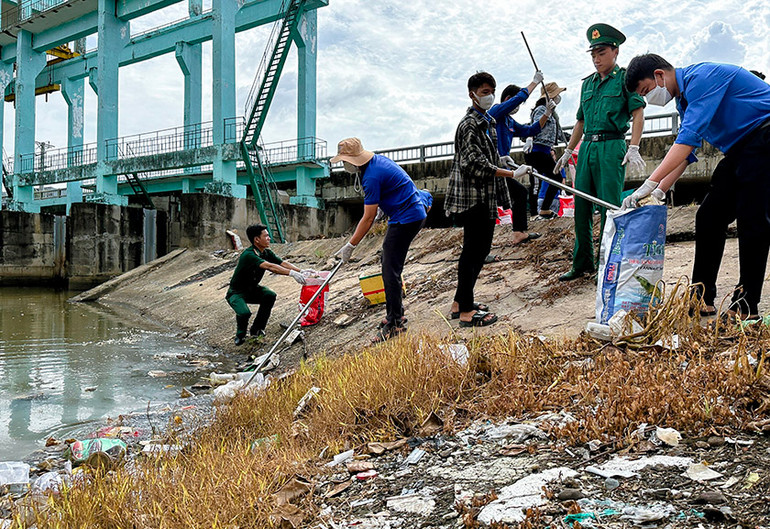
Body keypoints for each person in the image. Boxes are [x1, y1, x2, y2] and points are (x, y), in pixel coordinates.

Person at [623, 54, 770, 320]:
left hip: (765, 135)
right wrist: (659, 191)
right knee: (709, 217)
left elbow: (687, 141)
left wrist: (649, 182)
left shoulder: (702, 78)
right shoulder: (684, 102)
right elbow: (686, 154)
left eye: (646, 91)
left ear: (659, 75)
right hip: (740, 149)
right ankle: (701, 297)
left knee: (753, 219)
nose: (648, 99)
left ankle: (746, 306)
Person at [553, 23, 646, 281]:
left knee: (609, 208)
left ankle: (607, 264)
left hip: (611, 146)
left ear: (615, 52)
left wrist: (634, 146)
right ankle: (582, 263)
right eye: (593, 54)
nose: (596, 59)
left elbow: (638, 113)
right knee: (581, 206)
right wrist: (568, 150)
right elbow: (580, 122)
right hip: (587, 148)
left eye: (602, 53)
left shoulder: (625, 79)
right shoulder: (587, 85)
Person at [444, 71, 532, 327]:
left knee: (479, 250)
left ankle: (460, 302)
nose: (489, 97)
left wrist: (500, 159)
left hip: (485, 195)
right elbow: (473, 163)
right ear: (472, 94)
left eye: (491, 92)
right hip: (472, 197)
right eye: (484, 92)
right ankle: (466, 312)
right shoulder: (469, 124)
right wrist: (511, 173)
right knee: (473, 251)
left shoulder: (487, 121)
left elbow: (486, 156)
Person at [332, 138, 428, 342]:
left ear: (353, 160)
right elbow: (391, 190)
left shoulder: (371, 177)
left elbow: (367, 218)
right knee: (389, 263)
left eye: (344, 161)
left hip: (407, 218)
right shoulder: (376, 163)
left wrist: (350, 246)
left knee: (390, 270)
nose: (344, 165)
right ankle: (396, 313)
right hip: (407, 212)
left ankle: (395, 323)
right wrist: (382, 209)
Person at [487, 74, 553, 246]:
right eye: (516, 104)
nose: (517, 107)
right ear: (508, 99)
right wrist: (534, 83)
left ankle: (519, 232)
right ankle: (485, 243)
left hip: (501, 168)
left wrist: (547, 114)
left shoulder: (509, 121)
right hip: (488, 168)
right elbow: (519, 98)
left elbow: (530, 130)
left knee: (519, 193)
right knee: (489, 203)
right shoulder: (495, 113)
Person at [226, 224, 310, 346]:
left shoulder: (266, 252)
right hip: (236, 293)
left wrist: (301, 271)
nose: (269, 238)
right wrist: (291, 274)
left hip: (252, 290)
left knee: (269, 295)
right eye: (266, 236)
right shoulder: (249, 255)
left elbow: (282, 263)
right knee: (244, 313)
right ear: (257, 239)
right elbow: (270, 266)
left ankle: (257, 329)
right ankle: (240, 335)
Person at [525, 82, 567, 218]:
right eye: (557, 95)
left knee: (555, 177)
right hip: (536, 151)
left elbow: (558, 133)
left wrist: (573, 138)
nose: (558, 97)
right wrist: (530, 137)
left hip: (545, 151)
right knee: (538, 182)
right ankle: (536, 212)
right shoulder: (542, 110)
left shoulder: (553, 114)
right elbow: (536, 125)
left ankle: (544, 209)